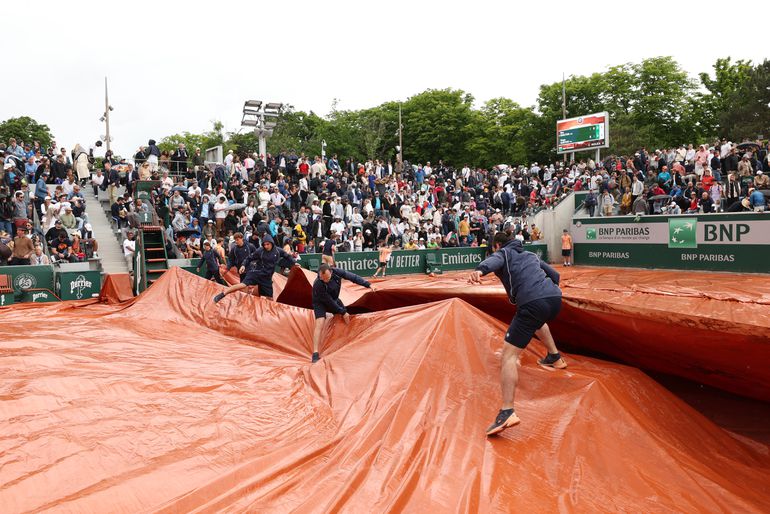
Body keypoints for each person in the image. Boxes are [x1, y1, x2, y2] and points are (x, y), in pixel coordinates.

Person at [468, 232, 567, 436]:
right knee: (537, 322)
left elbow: (494, 261)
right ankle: (554, 357)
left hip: (532, 302)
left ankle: (507, 411)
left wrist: (480, 270)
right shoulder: (531, 255)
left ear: (496, 245)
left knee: (508, 356)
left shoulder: (503, 253)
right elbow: (555, 276)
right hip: (555, 299)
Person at [311, 263, 374, 362]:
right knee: (320, 322)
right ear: (319, 275)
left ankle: (349, 340)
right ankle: (315, 353)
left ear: (331, 272)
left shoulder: (337, 272)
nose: (325, 281)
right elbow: (329, 302)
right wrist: (342, 312)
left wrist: (367, 284)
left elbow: (352, 277)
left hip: (334, 299)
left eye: (327, 278)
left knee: (346, 318)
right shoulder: (318, 284)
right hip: (320, 301)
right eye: (322, 278)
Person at [213, 234, 296, 302]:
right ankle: (223, 294)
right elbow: (249, 258)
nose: (266, 246)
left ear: (272, 243)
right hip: (256, 273)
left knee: (270, 299)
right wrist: (243, 265)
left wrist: (295, 263)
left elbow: (287, 256)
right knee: (242, 285)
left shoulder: (278, 250)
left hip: (267, 278)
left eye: (268, 244)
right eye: (264, 244)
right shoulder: (260, 250)